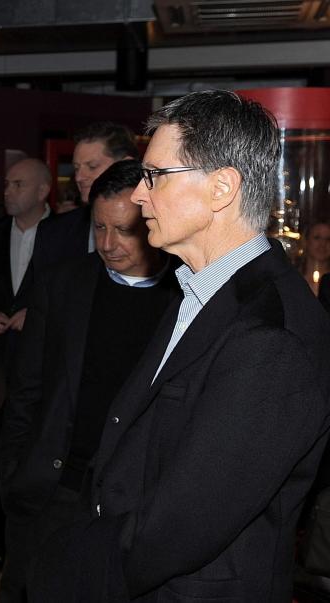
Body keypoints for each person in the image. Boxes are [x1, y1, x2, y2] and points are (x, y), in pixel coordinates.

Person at [29, 90, 330, 602]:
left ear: (221, 189)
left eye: (154, 176)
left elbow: (180, 528)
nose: (140, 195)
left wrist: (68, 566)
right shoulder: (202, 286)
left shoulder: (270, 336)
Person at [0, 159, 177, 602]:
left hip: (130, 506)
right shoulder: (63, 284)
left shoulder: (183, 297)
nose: (109, 244)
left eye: (125, 230)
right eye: (99, 229)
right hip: (50, 492)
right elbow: (26, 389)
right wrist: (14, 471)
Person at [0, 158, 52, 574]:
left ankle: (31, 539)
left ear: (43, 192)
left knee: (33, 455)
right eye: (6, 184)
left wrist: (37, 315)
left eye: (18, 184)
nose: (7, 191)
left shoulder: (67, 236)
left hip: (40, 368)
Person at [35, 123, 139, 269]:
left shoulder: (155, 227)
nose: (79, 177)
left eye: (92, 166)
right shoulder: (53, 232)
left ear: (125, 164)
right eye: (76, 168)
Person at [299, 221, 330, 295]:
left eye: (328, 239)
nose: (323, 244)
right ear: (306, 241)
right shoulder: (292, 277)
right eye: (317, 238)